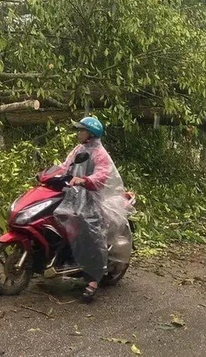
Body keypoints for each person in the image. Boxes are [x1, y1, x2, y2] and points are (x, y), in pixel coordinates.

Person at [53, 116, 127, 303]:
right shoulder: (79, 149)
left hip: (92, 200)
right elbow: (65, 166)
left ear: (90, 134)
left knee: (91, 234)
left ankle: (93, 279)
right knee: (56, 219)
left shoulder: (100, 153)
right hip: (74, 196)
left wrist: (85, 180)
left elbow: (103, 174)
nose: (79, 133)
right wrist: (51, 173)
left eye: (82, 130)